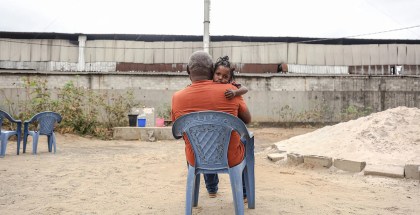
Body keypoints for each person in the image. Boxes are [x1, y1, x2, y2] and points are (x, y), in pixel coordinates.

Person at [171, 51, 251, 201]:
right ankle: (245, 194)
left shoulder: (177, 97)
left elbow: (178, 132)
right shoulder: (231, 91)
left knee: (202, 144)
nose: (221, 78)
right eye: (218, 74)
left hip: (197, 157)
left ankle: (211, 189)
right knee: (244, 142)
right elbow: (247, 120)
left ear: (188, 71)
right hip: (231, 157)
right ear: (211, 71)